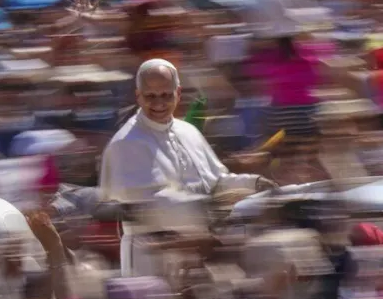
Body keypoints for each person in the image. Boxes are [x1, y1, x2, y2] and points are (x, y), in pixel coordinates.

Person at [100, 58, 277, 274]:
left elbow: (217, 181)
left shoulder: (189, 132)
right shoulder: (126, 143)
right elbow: (149, 204)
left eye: (166, 95)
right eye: (150, 96)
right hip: (152, 256)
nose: (159, 103)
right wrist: (210, 205)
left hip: (200, 249)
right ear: (138, 96)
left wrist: (254, 184)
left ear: (178, 93)